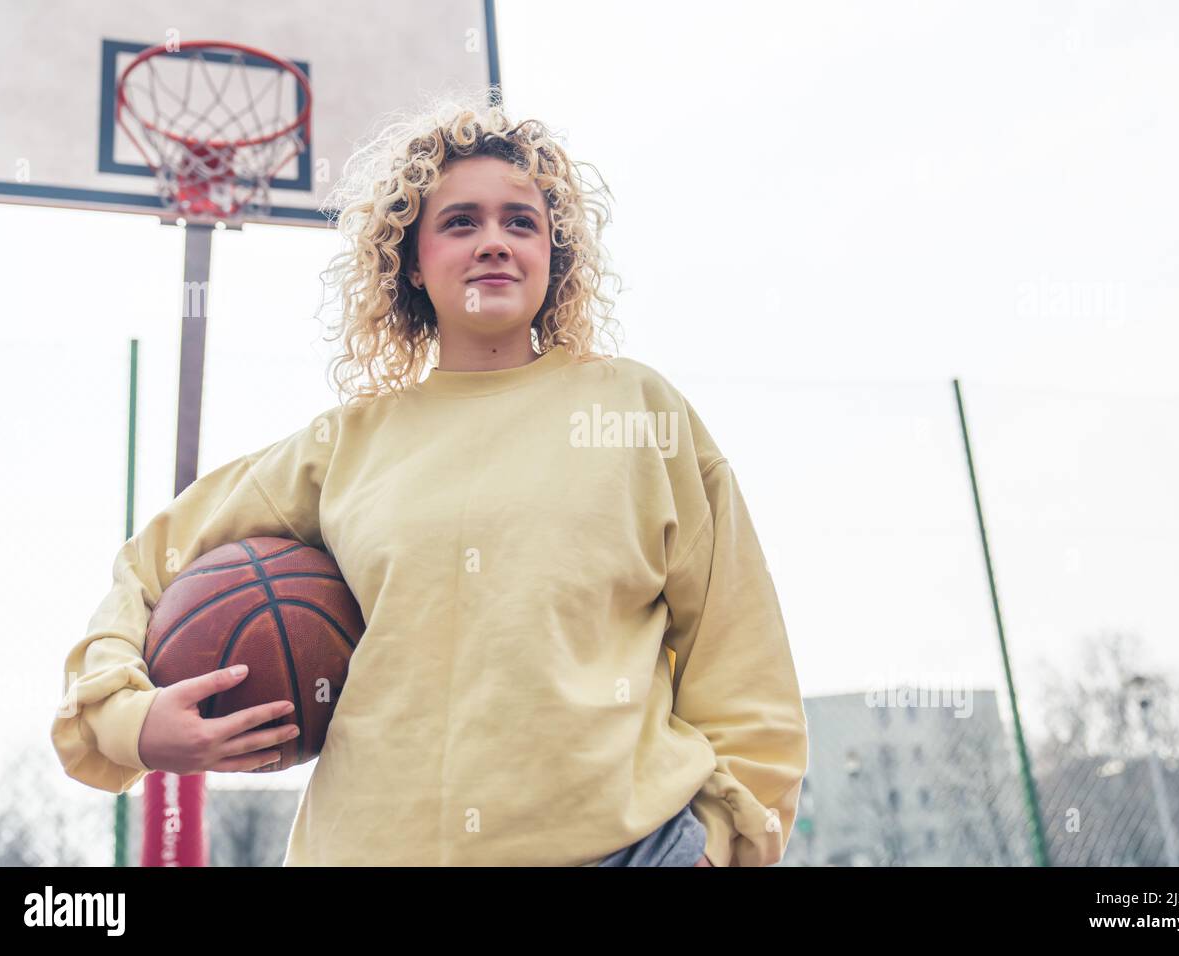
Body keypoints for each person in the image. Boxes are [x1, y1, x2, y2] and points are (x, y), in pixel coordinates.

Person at [50, 88, 809, 867]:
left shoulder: (637, 411)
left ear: (557, 253)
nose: (494, 241)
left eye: (522, 221)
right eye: (460, 222)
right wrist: (126, 720)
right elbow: (149, 565)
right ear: (410, 262)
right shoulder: (344, 447)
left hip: (627, 848)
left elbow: (742, 664)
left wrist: (723, 846)